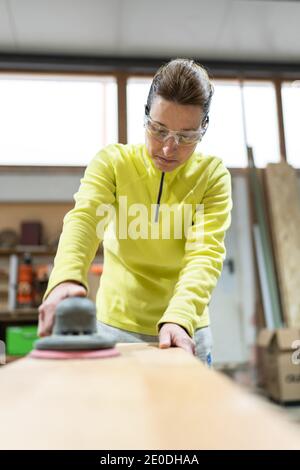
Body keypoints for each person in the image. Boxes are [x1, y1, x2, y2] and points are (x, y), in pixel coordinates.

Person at [38, 58, 232, 364]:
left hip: (183, 328)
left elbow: (205, 254)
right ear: (145, 116)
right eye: (159, 130)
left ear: (204, 128)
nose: (169, 148)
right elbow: (85, 221)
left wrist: (180, 316)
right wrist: (66, 278)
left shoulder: (212, 175)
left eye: (186, 136)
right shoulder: (113, 163)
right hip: (114, 327)